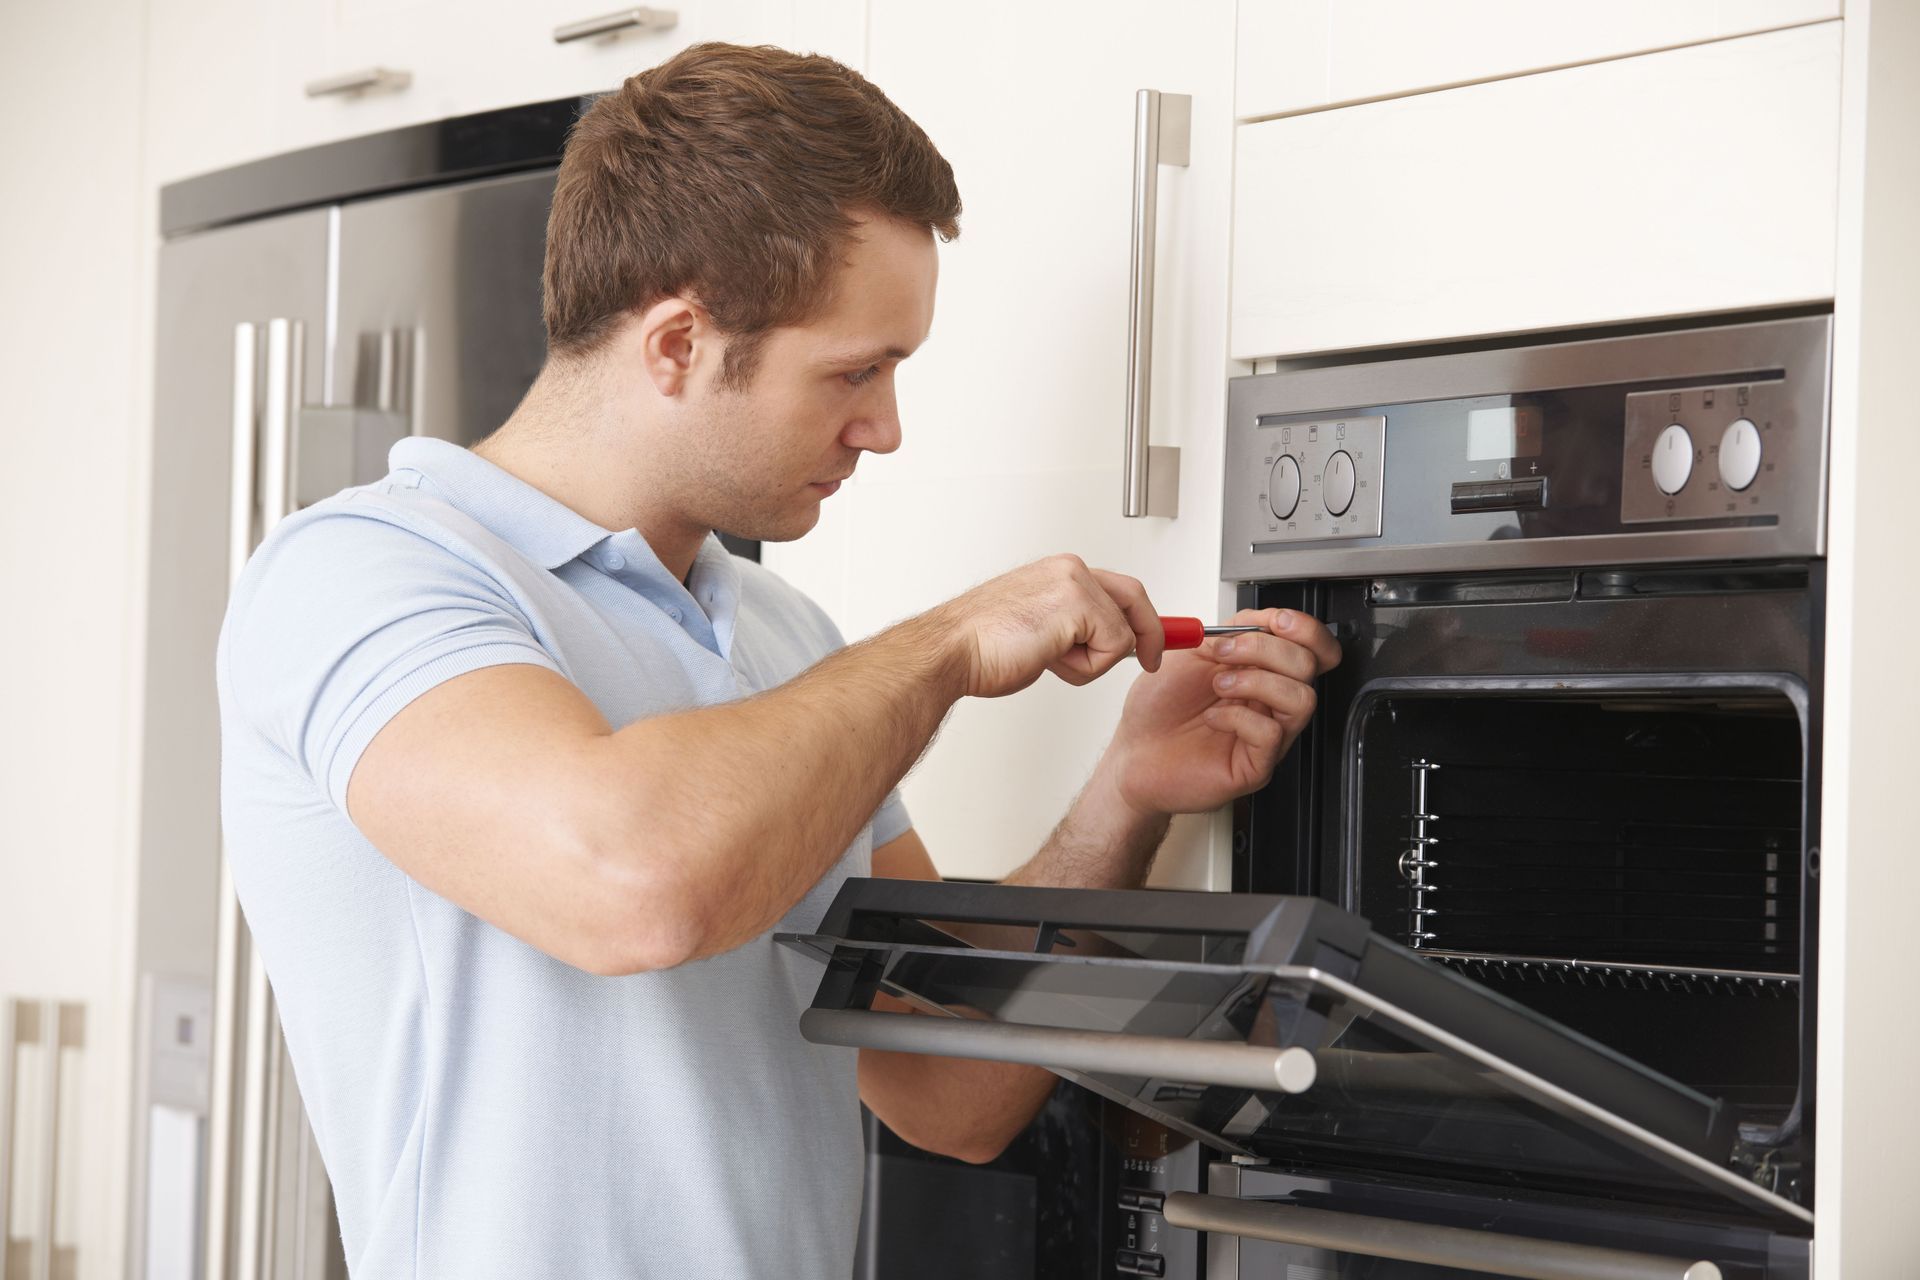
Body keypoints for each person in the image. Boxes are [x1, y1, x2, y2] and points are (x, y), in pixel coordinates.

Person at [217, 41, 1341, 1279]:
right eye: (855, 372)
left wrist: (1122, 794)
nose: (886, 427)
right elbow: (635, 882)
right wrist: (948, 641)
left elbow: (948, 1091)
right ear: (677, 345)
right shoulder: (367, 573)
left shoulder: (783, 635)